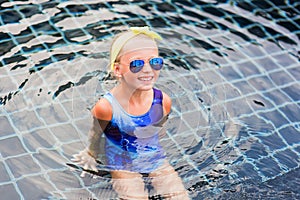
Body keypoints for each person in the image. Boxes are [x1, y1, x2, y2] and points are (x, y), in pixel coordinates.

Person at [72, 26, 189, 199]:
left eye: (155, 62)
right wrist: (90, 153)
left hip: (153, 156)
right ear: (118, 70)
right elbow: (95, 133)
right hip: (121, 162)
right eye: (137, 64)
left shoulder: (163, 101)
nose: (148, 70)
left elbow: (159, 129)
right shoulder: (106, 107)